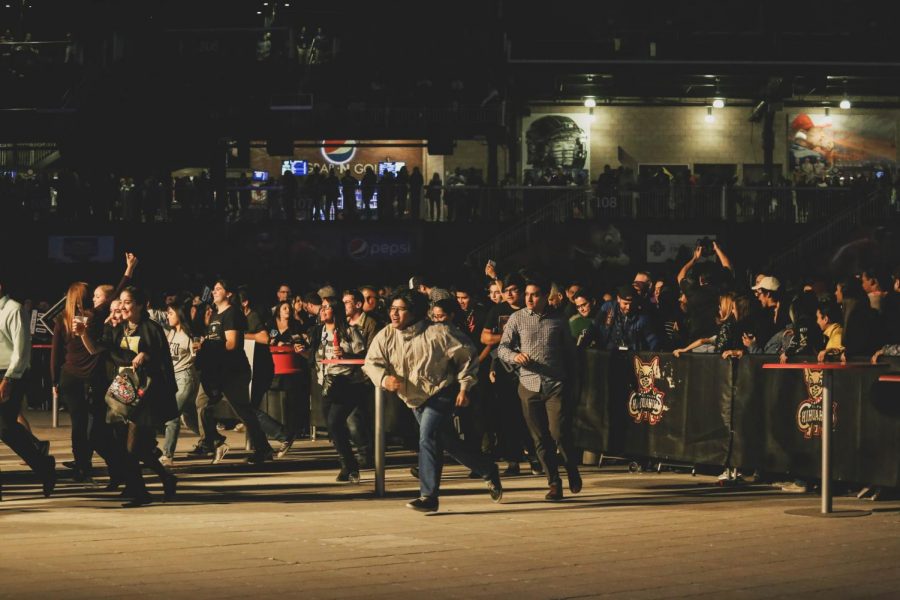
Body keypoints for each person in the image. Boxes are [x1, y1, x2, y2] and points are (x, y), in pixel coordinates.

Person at [363, 290, 502, 512]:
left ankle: (428, 496)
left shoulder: (439, 332)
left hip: (441, 392)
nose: (394, 314)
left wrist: (465, 387)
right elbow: (370, 362)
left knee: (427, 437)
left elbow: (468, 356)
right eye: (392, 309)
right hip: (414, 398)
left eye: (400, 309)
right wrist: (383, 378)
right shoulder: (387, 334)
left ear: (415, 312)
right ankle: (487, 469)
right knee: (448, 443)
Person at [78, 286, 178, 507]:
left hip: (144, 396)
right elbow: (96, 349)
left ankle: (141, 493)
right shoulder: (117, 329)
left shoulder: (151, 329)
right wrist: (83, 333)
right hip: (121, 394)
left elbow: (162, 362)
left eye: (127, 302)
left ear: (141, 305)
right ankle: (166, 479)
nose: (122, 306)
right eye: (120, 302)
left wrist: (146, 355)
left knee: (131, 447)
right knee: (136, 448)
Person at [497, 276, 581, 501]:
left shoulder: (559, 320)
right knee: (539, 438)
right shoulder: (517, 318)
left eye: (534, 294)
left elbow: (571, 354)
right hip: (529, 384)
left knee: (559, 433)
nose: (529, 299)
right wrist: (515, 356)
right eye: (527, 294)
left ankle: (571, 467)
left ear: (545, 297)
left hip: (555, 385)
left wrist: (573, 383)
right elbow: (502, 348)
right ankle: (554, 482)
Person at [189, 280, 273, 464]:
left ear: (228, 294)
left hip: (232, 371)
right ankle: (216, 441)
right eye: (213, 289)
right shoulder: (215, 314)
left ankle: (263, 448)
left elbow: (232, 343)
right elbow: (214, 339)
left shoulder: (231, 313)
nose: (214, 292)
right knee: (201, 404)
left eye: (219, 289)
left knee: (243, 411)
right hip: (215, 371)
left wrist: (208, 346)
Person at [0, 273, 56, 500]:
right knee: (7, 430)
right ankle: (43, 464)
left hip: (9, 373)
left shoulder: (13, 309)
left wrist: (9, 380)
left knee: (6, 429)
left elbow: (21, 351)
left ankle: (43, 465)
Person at [305, 296, 369, 482]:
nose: (323, 310)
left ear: (336, 310)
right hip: (325, 383)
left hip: (346, 383)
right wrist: (303, 351)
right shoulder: (318, 332)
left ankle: (351, 465)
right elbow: (314, 357)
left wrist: (346, 354)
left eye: (327, 307)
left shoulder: (349, 331)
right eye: (322, 307)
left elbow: (363, 355)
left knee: (335, 422)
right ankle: (348, 466)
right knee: (334, 428)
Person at [160, 302, 199, 467]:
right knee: (189, 419)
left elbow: (196, 357)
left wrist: (198, 348)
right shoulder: (170, 334)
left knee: (172, 417)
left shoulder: (189, 336)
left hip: (185, 378)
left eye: (171, 313)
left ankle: (167, 455)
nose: (168, 316)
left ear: (179, 315)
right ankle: (214, 441)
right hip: (172, 379)